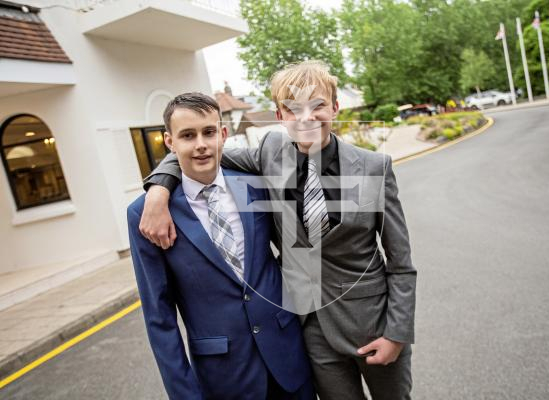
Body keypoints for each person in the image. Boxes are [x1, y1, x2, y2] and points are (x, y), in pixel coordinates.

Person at [141, 61, 417, 400]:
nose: (306, 117)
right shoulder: (271, 154)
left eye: (317, 105)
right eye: (293, 108)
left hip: (374, 325)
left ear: (335, 107)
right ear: (280, 114)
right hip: (313, 334)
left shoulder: (375, 167)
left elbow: (401, 262)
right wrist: (158, 189)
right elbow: (200, 148)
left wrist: (397, 333)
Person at [127, 92, 314, 399]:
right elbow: (159, 318)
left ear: (223, 134)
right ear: (169, 143)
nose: (200, 144)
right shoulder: (144, 215)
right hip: (226, 379)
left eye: (208, 132)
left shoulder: (255, 185)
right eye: (187, 135)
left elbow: (299, 257)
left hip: (290, 362)